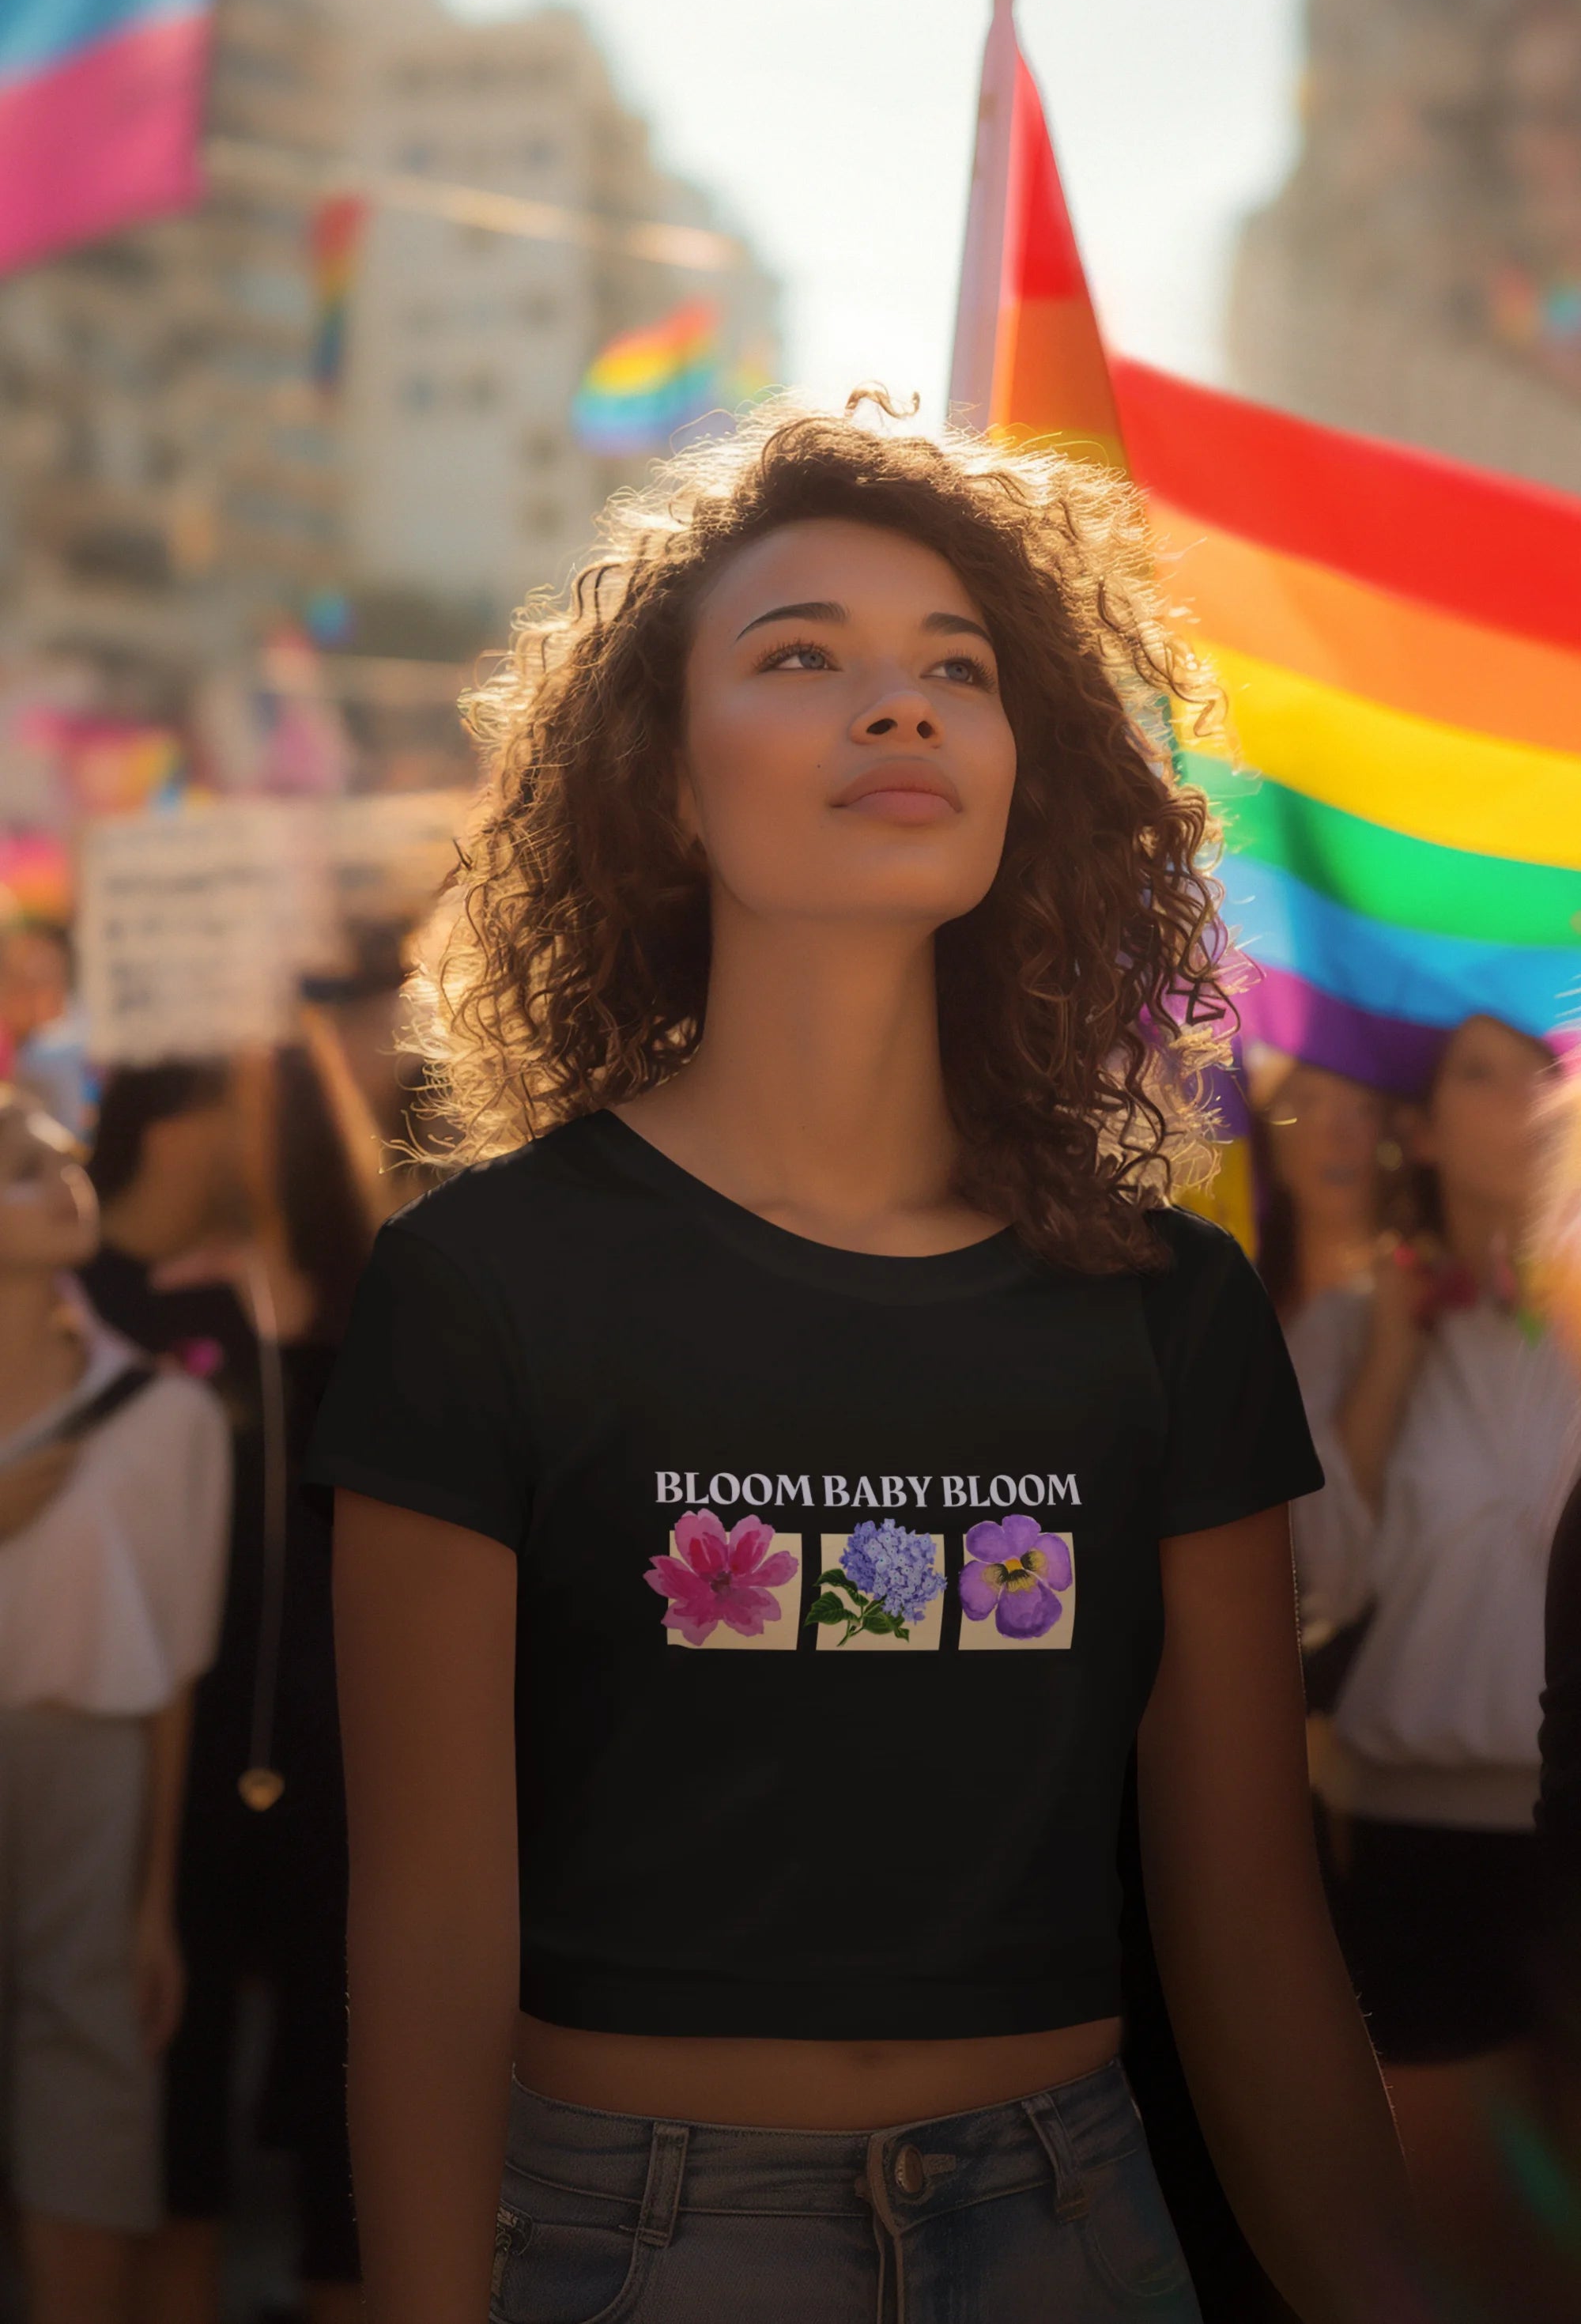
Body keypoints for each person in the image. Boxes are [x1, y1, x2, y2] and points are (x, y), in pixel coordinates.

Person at [310, 396, 1418, 2324]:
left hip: (1072, 2228)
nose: (895, 710)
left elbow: (1242, 1928)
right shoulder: (478, 1286)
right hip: (627, 2246)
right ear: (661, 785)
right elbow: (423, 1934)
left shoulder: (1168, 1308)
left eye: (953, 672)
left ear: (1023, 772)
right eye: (799, 657)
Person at [1289, 1014, 1579, 2299]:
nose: (1524, 1091)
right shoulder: (1353, 1326)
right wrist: (1393, 1353)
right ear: (1416, 1119)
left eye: (1544, 1062)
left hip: (1571, 1828)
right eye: (1480, 1066)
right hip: (1417, 1839)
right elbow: (1311, 1580)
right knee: (1465, 2241)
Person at [81, 1053, 369, 2324]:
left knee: (350, 2100)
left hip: (348, 1747)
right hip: (161, 1745)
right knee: (165, 2097)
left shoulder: (379, 1290)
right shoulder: (86, 1299)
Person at [0, 1090, 228, 2324]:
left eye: (64, 1161)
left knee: (89, 2064)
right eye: (20, 1170)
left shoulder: (166, 1416)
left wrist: (156, 1899)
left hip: (91, 1765)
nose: (64, 1185)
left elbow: (173, 1672)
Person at [1251, 1061, 1393, 1324]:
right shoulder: (1234, 1295)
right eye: (1307, 1105)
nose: (1338, 1136)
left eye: (1364, 1110)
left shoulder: (1423, 1298)